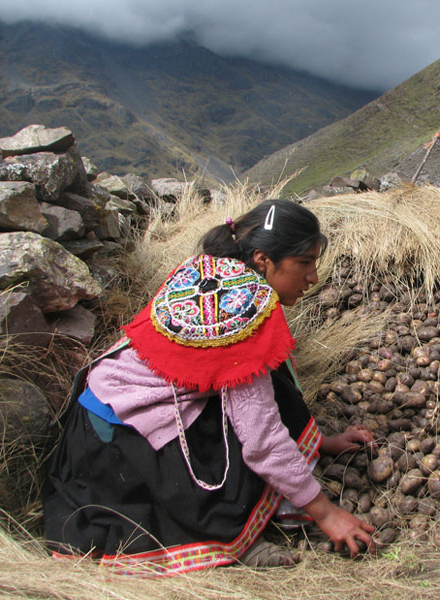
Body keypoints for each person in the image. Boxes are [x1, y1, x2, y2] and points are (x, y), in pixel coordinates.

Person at [42, 199, 377, 576]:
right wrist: (327, 513)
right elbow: (261, 439)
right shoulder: (244, 312)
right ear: (263, 259)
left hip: (89, 428)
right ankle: (234, 536)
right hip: (121, 445)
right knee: (254, 421)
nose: (313, 277)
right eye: (304, 263)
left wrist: (321, 441)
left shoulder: (211, 271)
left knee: (273, 387)